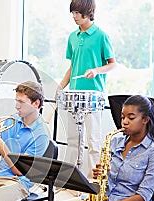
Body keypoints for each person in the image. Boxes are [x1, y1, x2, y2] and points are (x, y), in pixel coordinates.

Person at [57, 0, 116, 177]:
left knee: (93, 141)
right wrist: (61, 86)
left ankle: (93, 182)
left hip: (93, 96)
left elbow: (113, 64)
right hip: (74, 95)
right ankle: (72, 179)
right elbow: (72, 66)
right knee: (73, 140)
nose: (74, 17)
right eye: (72, 13)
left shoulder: (101, 36)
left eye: (77, 13)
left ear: (87, 12)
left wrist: (96, 71)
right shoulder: (72, 37)